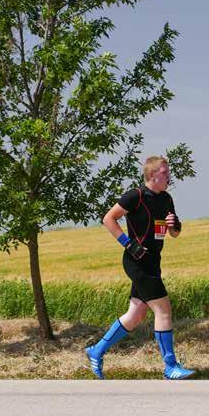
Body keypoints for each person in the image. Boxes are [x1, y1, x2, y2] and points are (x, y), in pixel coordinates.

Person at [85, 156, 195, 380]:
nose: (169, 176)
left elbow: (172, 233)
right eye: (165, 173)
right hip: (137, 261)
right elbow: (108, 218)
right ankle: (170, 366)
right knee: (163, 309)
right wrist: (129, 244)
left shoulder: (166, 198)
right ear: (153, 175)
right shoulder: (135, 195)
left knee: (135, 314)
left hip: (153, 261)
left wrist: (176, 226)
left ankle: (96, 351)